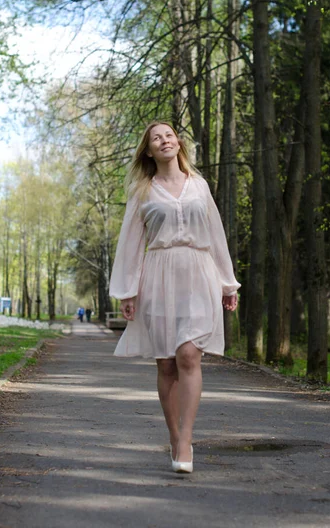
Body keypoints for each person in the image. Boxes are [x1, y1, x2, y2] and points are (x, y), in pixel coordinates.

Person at [109, 120, 240, 473]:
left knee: (188, 356)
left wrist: (228, 283)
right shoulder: (143, 191)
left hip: (200, 273)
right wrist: (127, 291)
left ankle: (186, 440)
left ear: (178, 143)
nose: (164, 141)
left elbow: (215, 234)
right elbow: (131, 244)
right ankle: (172, 434)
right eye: (156, 138)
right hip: (158, 277)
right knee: (166, 362)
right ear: (149, 151)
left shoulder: (199, 186)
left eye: (168, 135)